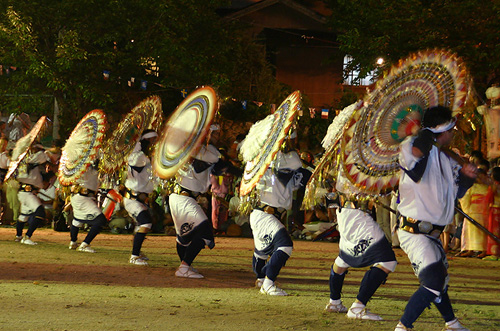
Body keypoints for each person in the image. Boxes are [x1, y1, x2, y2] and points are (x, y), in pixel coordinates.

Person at [395, 106, 476, 331]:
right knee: (432, 282)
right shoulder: (410, 146)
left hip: (432, 234)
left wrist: (466, 177)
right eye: (451, 129)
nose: (453, 134)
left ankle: (451, 323)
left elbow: (456, 194)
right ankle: (403, 326)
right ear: (441, 130)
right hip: (414, 231)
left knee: (439, 280)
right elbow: (415, 169)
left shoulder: (448, 157)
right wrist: (427, 137)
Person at [324, 168, 397, 320]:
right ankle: (357, 307)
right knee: (387, 260)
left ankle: (334, 302)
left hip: (347, 214)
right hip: (357, 215)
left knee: (343, 259)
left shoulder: (349, 157)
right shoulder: (358, 159)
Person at [168, 125, 222, 278]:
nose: (218, 137)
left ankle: (185, 265)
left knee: (183, 238)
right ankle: (184, 267)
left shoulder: (192, 148)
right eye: (215, 134)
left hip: (179, 197)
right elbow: (215, 158)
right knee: (205, 233)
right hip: (184, 198)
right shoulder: (202, 150)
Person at [250, 147, 304, 296]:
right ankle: (268, 283)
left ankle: (261, 279)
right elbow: (298, 169)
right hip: (264, 214)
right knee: (285, 245)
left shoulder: (267, 158)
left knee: (262, 250)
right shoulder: (281, 158)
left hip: (265, 214)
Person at [123, 129, 158, 265]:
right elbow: (135, 164)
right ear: (146, 141)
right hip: (132, 198)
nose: (155, 142)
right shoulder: (138, 156)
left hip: (140, 198)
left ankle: (137, 252)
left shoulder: (145, 156)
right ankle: (134, 256)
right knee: (145, 223)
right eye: (153, 140)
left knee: (140, 225)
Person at [69, 161, 107, 253]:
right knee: (100, 220)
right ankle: (84, 244)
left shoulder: (88, 165)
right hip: (82, 196)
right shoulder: (83, 163)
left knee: (78, 219)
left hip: (81, 196)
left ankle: (73, 242)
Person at [15, 144, 49, 245]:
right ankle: (27, 237)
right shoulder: (31, 158)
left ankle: (18, 236)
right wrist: (42, 148)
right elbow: (43, 156)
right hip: (26, 192)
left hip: (25, 192)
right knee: (40, 213)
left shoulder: (21, 159)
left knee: (24, 216)